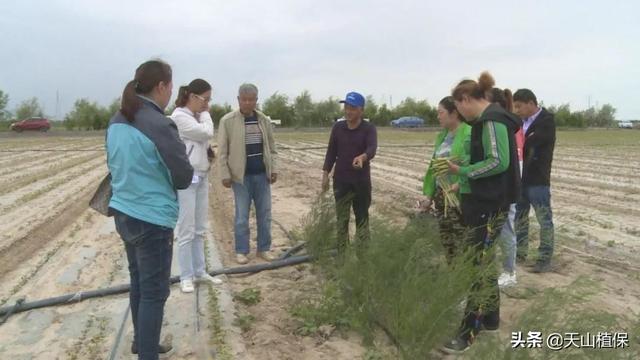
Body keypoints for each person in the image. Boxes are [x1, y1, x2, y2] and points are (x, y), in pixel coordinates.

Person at [107, 60, 193, 359]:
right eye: (170, 86)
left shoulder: (117, 119)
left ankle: (142, 343)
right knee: (155, 293)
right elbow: (182, 177)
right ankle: (147, 353)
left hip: (123, 213)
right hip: (151, 220)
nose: (171, 91)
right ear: (161, 86)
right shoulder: (159, 123)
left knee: (139, 283)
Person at [442, 72, 521, 354]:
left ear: (465, 100)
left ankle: (468, 333)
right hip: (486, 201)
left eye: (457, 106)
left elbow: (498, 162)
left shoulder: (491, 121)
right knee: (484, 264)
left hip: (489, 204)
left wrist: (464, 170)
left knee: (476, 266)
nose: (457, 113)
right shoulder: (488, 120)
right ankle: (490, 319)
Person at [170, 79, 222, 293]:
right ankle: (186, 276)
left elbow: (204, 142)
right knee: (186, 229)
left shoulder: (195, 117)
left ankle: (200, 271)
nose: (207, 104)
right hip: (187, 179)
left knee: (200, 228)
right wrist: (207, 114)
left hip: (201, 176)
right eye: (205, 100)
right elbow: (206, 133)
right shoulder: (179, 117)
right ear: (193, 97)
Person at [218, 83, 278, 265]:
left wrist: (273, 169)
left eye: (251, 99)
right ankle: (241, 251)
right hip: (240, 177)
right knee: (242, 217)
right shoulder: (227, 121)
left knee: (265, 214)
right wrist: (224, 174)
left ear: (256, 100)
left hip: (261, 175)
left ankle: (264, 249)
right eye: (244, 99)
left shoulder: (264, 121)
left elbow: (272, 148)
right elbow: (222, 151)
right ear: (238, 100)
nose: (247, 103)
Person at [322, 91, 377, 255]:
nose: (348, 111)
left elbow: (372, 148)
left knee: (362, 219)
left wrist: (363, 157)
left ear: (361, 110)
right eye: (346, 107)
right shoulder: (338, 127)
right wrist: (325, 174)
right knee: (342, 220)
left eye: (352, 108)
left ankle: (362, 256)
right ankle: (342, 255)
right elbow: (331, 151)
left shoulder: (368, 128)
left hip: (361, 183)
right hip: (341, 181)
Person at [418, 96, 471, 263]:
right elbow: (434, 168)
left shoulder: (469, 133)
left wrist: (460, 184)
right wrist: (429, 194)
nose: (438, 116)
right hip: (443, 196)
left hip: (460, 197)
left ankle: (466, 278)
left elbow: (473, 164)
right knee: (447, 241)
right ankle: (453, 274)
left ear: (454, 113)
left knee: (463, 241)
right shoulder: (442, 137)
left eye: (441, 112)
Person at [513, 89, 556, 273]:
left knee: (544, 219)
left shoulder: (546, 121)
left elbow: (529, 144)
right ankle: (520, 253)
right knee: (520, 218)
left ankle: (544, 258)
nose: (516, 110)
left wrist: (523, 141)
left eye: (519, 106)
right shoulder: (519, 123)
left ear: (531, 103)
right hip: (520, 179)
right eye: (515, 106)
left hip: (538, 179)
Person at [488, 88, 524, 287]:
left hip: (506, 187)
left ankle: (510, 272)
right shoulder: (502, 123)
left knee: (506, 228)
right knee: (500, 229)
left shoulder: (503, 126)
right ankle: (502, 270)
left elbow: (512, 162)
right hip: (501, 187)